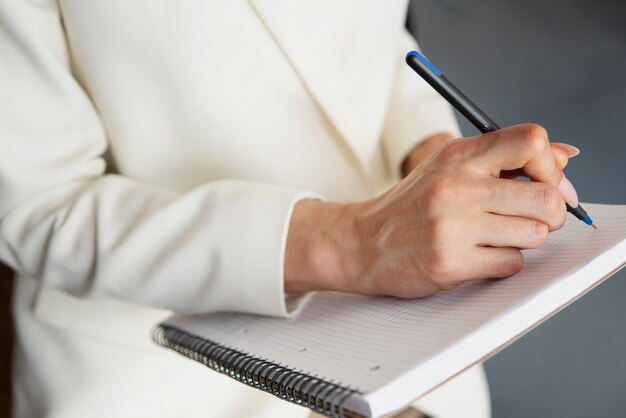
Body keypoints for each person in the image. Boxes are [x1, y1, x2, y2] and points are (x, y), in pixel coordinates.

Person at [0, 1, 576, 417]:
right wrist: (352, 241)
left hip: (405, 302)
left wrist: (427, 150)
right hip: (158, 358)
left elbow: (378, 36)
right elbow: (37, 202)